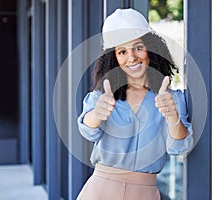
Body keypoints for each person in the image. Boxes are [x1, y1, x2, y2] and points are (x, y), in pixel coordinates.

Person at [77, 8, 193, 200]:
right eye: (122, 52)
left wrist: (173, 118)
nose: (131, 57)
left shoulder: (171, 99)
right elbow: (88, 131)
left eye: (138, 47)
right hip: (100, 190)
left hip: (145, 192)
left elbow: (179, 148)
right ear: (113, 59)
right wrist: (96, 115)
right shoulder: (103, 97)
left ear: (152, 48)